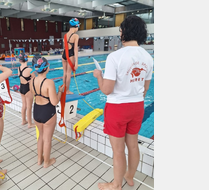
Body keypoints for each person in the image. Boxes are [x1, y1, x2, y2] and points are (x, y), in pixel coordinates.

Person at [93, 15, 153, 190]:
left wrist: (99, 76)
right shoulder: (148, 58)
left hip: (117, 109)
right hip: (137, 107)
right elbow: (145, 88)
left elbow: (107, 89)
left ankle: (116, 184)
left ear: (124, 32)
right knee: (133, 145)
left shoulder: (115, 57)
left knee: (118, 150)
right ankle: (130, 177)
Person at [29, 56, 65, 168]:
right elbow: (54, 102)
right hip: (47, 112)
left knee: (40, 136)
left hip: (37, 111)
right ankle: (46, 162)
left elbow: (33, 95)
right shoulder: (49, 82)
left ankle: (39, 159)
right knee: (47, 139)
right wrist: (60, 92)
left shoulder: (32, 81)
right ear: (46, 68)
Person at [62, 18, 80, 94]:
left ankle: (63, 89)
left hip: (64, 55)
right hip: (70, 55)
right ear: (76, 26)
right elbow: (75, 49)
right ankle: (67, 90)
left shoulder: (65, 35)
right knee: (68, 73)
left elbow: (65, 47)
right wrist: (76, 62)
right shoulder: (75, 36)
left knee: (65, 73)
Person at [17, 53, 35, 128]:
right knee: (29, 106)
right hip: (28, 88)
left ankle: (23, 120)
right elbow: (34, 79)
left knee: (24, 105)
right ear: (27, 59)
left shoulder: (18, 68)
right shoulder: (30, 70)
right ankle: (30, 124)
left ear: (20, 61)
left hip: (21, 88)